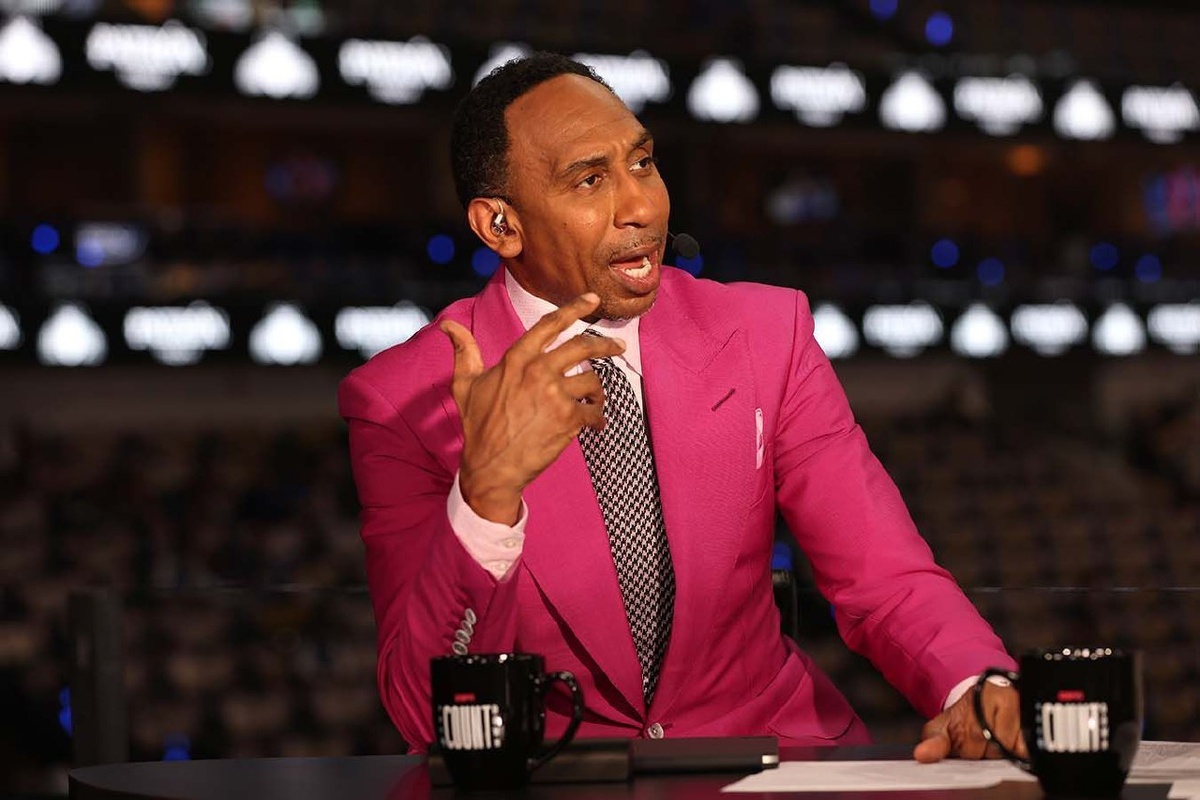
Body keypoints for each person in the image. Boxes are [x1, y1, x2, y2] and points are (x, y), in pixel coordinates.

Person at [339, 52, 1026, 761]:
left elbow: (882, 573)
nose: (642, 207)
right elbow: (423, 710)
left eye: (642, 163)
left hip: (775, 760)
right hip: (553, 776)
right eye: (590, 180)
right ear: (500, 226)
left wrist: (975, 683)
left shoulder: (768, 333)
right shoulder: (399, 399)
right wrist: (486, 494)